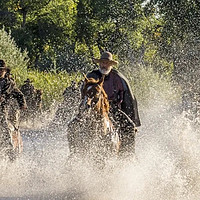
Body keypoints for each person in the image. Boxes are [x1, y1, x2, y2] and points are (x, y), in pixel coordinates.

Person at [83, 51, 141, 154]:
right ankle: (76, 153)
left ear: (111, 64)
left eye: (106, 63)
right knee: (75, 125)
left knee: (129, 127)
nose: (104, 65)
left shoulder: (119, 78)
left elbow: (128, 99)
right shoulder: (92, 75)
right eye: (102, 62)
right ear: (99, 63)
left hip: (113, 108)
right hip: (93, 106)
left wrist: (132, 117)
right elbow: (85, 90)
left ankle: (128, 154)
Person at [0, 59, 27, 158]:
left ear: (5, 71)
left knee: (3, 122)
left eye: (2, 70)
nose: (0, 71)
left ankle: (9, 149)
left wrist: (22, 105)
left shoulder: (10, 84)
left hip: (3, 109)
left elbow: (19, 95)